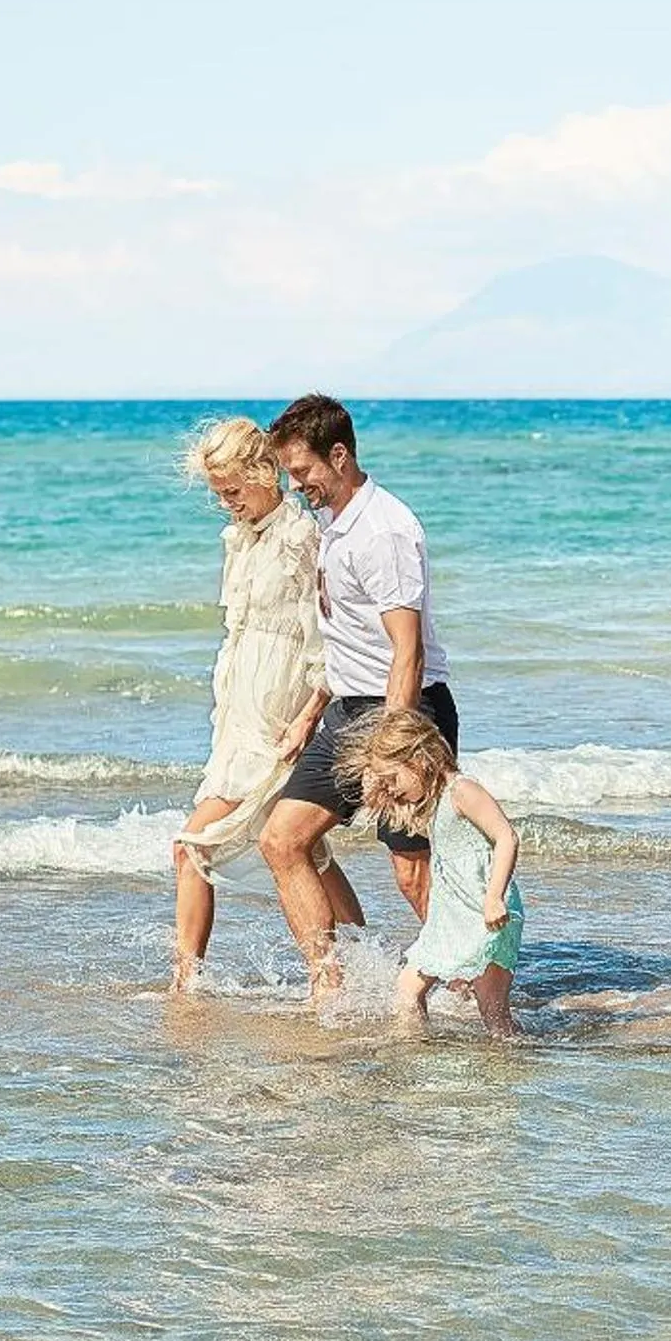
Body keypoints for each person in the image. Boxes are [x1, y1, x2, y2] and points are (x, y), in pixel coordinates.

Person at [256, 394, 462, 1004]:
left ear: (339, 455)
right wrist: (310, 715)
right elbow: (345, 637)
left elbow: (408, 651)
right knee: (283, 839)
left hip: (406, 713)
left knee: (413, 872)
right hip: (350, 710)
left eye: (303, 473)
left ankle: (469, 984)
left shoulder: (385, 531)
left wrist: (393, 750)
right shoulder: (335, 522)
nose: (298, 488)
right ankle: (331, 988)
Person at [164, 417, 338, 992]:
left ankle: (185, 983)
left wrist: (307, 719)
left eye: (233, 492)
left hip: (277, 723)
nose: (227, 505)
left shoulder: (300, 538)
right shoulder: (244, 539)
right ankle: (361, 966)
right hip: (237, 722)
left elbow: (324, 643)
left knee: (192, 848)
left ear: (266, 473)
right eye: (219, 496)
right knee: (307, 857)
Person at [341, 706, 523, 1038]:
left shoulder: (462, 791)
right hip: (450, 917)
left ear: (420, 759)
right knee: (408, 990)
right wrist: (380, 786)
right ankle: (416, 1051)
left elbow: (506, 837)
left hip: (484, 913)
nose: (392, 789)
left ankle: (516, 1060)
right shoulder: (431, 798)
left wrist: (495, 897)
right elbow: (381, 804)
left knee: (492, 1008)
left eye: (393, 779)